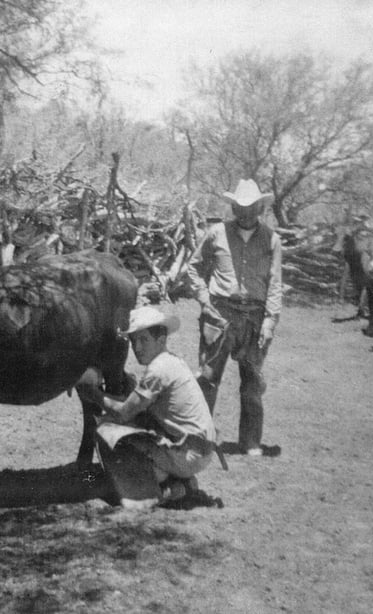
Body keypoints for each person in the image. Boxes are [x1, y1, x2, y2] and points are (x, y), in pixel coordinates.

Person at [81, 306, 217, 508]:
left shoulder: (158, 369)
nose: (138, 347)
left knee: (106, 430)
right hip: (200, 449)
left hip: (188, 454)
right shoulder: (171, 361)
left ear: (161, 341)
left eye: (144, 340)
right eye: (134, 341)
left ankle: (155, 493)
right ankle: (179, 482)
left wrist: (93, 394)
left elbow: (122, 413)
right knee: (137, 427)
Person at [186, 178, 283, 456]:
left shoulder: (271, 240)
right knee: (207, 378)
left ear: (260, 208)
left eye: (252, 207)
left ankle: (250, 441)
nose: (246, 213)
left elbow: (275, 283)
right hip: (220, 314)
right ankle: (199, 437)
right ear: (233, 208)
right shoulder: (216, 233)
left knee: (252, 383)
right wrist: (204, 300)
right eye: (241, 207)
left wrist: (270, 320)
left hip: (255, 316)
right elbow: (193, 268)